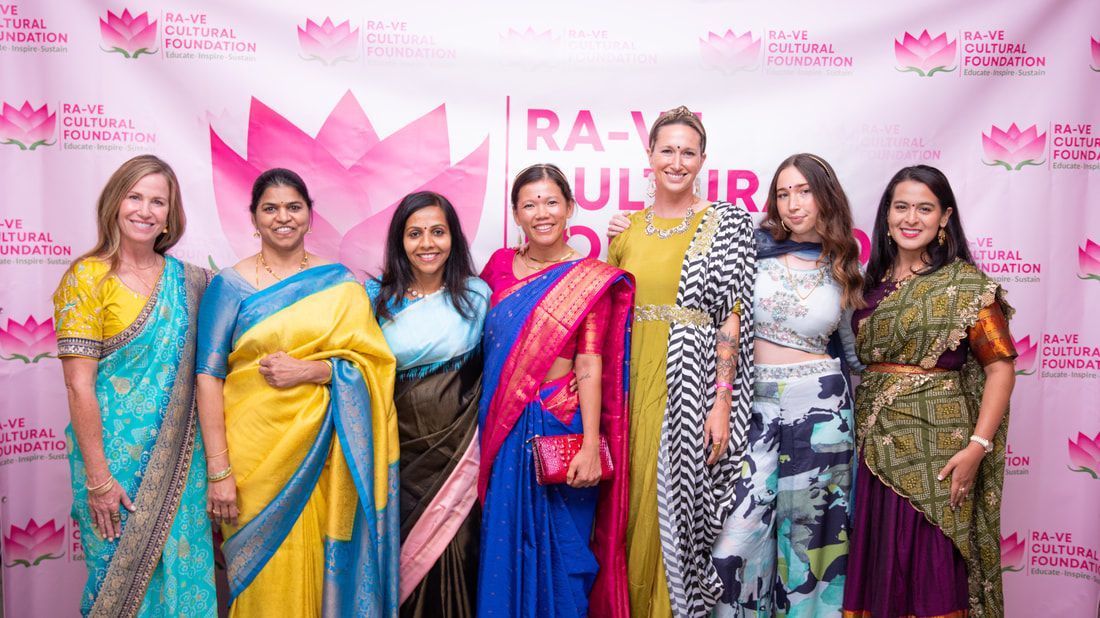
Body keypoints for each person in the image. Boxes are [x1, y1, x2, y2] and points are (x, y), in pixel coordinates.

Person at [194, 168, 400, 616]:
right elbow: (208, 378)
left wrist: (315, 370)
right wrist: (218, 472)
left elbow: (375, 367)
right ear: (254, 217)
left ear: (309, 215)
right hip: (253, 462)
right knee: (262, 581)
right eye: (270, 208)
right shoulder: (229, 285)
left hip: (327, 452)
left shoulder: (341, 284)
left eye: (293, 207)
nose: (282, 217)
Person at [841, 165, 1016, 618]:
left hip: (939, 449)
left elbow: (999, 368)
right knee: (881, 563)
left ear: (944, 217)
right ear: (886, 216)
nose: (911, 218)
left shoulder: (965, 287)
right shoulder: (867, 286)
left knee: (931, 567)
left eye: (925, 208)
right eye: (901, 207)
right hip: (876, 448)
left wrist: (977, 447)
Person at [605, 106, 756, 617]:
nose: (676, 161)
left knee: (675, 513)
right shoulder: (625, 230)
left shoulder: (725, 224)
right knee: (625, 511)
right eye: (666, 150)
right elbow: (606, 316)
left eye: (687, 152)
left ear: (703, 160)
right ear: (648, 157)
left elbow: (732, 319)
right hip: (628, 389)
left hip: (688, 391)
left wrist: (722, 405)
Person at [53, 155, 216, 616]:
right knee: (120, 588)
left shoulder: (194, 283)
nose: (145, 210)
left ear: (171, 214)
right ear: (115, 203)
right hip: (112, 468)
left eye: (158, 201)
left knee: (186, 581)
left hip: (184, 466)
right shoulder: (87, 278)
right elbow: (77, 387)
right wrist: (100, 481)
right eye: (135, 197)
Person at [477, 163, 634, 617]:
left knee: (565, 557)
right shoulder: (499, 267)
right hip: (504, 425)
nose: (541, 213)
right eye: (530, 204)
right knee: (503, 543)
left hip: (560, 423)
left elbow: (589, 362)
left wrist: (589, 444)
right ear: (515, 214)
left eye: (551, 202)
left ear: (570, 208)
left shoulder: (588, 276)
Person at [711, 154, 864, 617]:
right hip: (752, 406)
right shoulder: (750, 249)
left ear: (826, 196)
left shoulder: (846, 264)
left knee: (813, 544)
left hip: (821, 408)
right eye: (783, 193)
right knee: (735, 540)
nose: (793, 204)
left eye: (804, 191)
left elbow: (855, 352)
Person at [366, 191, 490, 617]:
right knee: (398, 562)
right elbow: (354, 372)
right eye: (414, 233)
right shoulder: (374, 300)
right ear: (399, 241)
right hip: (395, 459)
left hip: (459, 461)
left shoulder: (478, 296)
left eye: (438, 232)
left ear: (453, 237)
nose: (427, 243)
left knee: (457, 553)